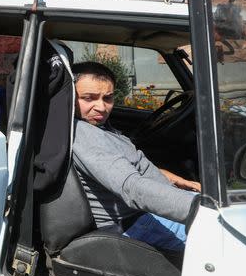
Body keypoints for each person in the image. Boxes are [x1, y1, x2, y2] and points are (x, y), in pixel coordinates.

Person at [71, 61, 200, 251]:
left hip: (144, 214)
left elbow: (132, 164)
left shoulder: (101, 128)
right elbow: (132, 188)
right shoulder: (84, 135)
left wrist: (180, 182)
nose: (101, 107)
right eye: (89, 98)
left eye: (107, 98)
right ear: (70, 98)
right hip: (133, 224)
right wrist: (198, 208)